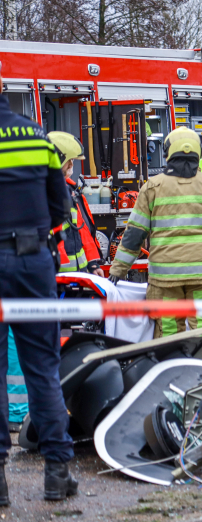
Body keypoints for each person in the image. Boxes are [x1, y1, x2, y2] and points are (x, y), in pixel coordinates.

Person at [0, 68, 78, 502]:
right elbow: (59, 206)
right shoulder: (36, 137)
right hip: (33, 260)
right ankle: (56, 472)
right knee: (43, 370)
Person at [109, 127, 202, 337]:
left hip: (165, 280)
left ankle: (172, 369)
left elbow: (134, 235)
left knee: (168, 335)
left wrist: (118, 271)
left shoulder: (153, 187)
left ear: (168, 153)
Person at [48, 131, 104, 276]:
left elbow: (82, 230)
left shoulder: (70, 191)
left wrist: (92, 264)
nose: (72, 165)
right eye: (69, 160)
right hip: (57, 276)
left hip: (77, 275)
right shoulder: (44, 192)